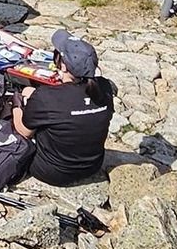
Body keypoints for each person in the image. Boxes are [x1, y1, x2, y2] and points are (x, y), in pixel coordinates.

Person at [12, 30, 114, 185]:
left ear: (64, 66)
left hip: (51, 172)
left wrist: (16, 103)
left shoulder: (47, 96)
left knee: (14, 121)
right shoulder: (105, 87)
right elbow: (74, 106)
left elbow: (24, 131)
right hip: (92, 166)